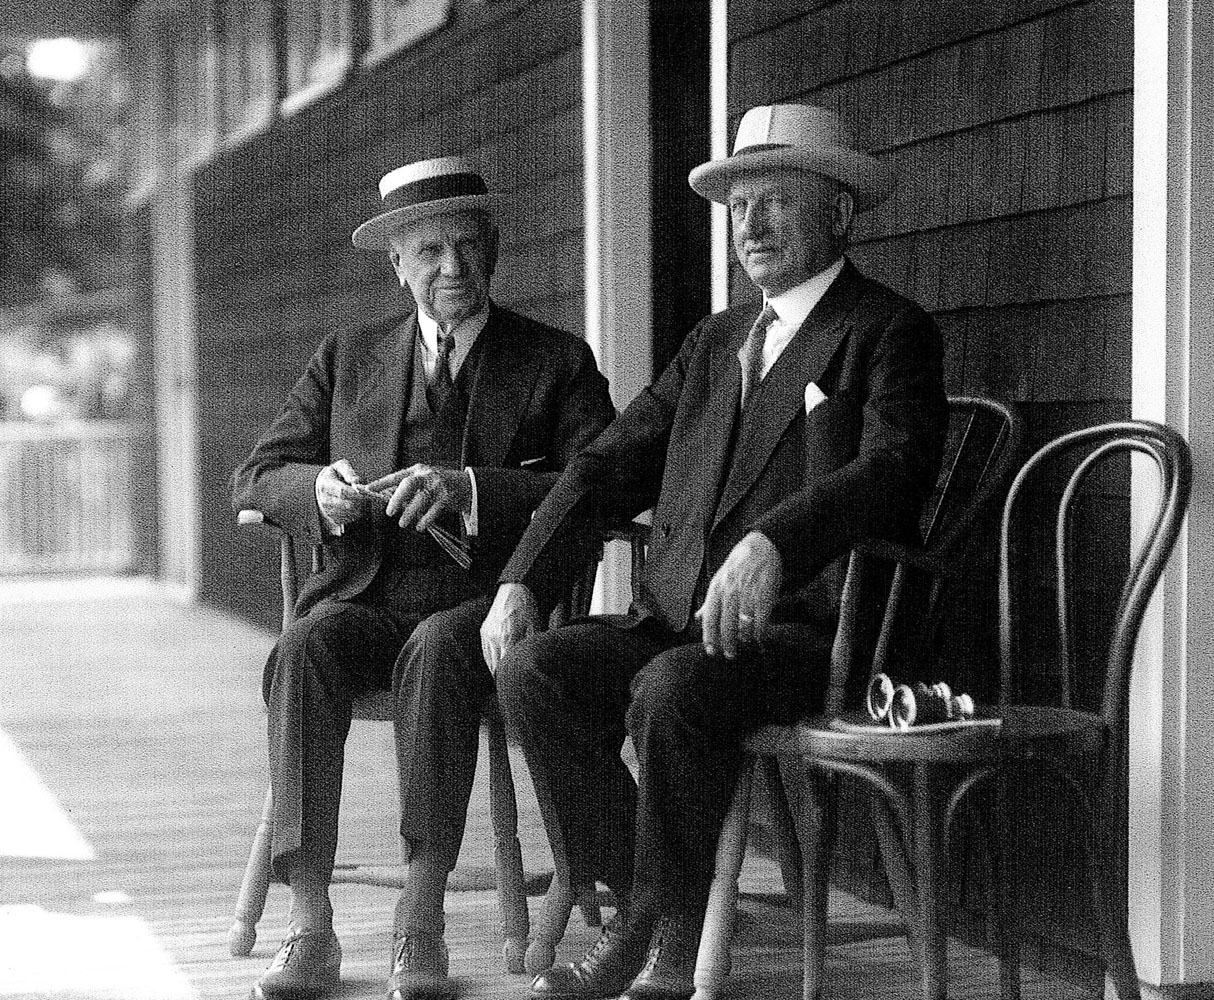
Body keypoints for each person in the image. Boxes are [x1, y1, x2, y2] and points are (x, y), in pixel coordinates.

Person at [479, 104, 949, 1000]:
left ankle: (664, 938)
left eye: (776, 200)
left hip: (809, 634)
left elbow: (897, 468)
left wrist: (779, 539)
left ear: (841, 213)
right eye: (739, 206)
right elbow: (605, 466)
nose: (752, 225)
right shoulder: (714, 341)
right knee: (535, 670)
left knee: (671, 689)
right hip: (679, 620)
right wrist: (520, 579)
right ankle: (647, 897)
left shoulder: (886, 330)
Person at [231, 155, 614, 1000]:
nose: (451, 268)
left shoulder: (555, 362)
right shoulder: (351, 356)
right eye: (429, 252)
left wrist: (474, 488)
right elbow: (260, 474)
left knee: (440, 652)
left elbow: (600, 481)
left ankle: (421, 914)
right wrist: (320, 494)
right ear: (397, 263)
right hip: (366, 597)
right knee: (301, 647)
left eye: (467, 246)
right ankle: (309, 924)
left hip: (485, 610)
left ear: (494, 248)